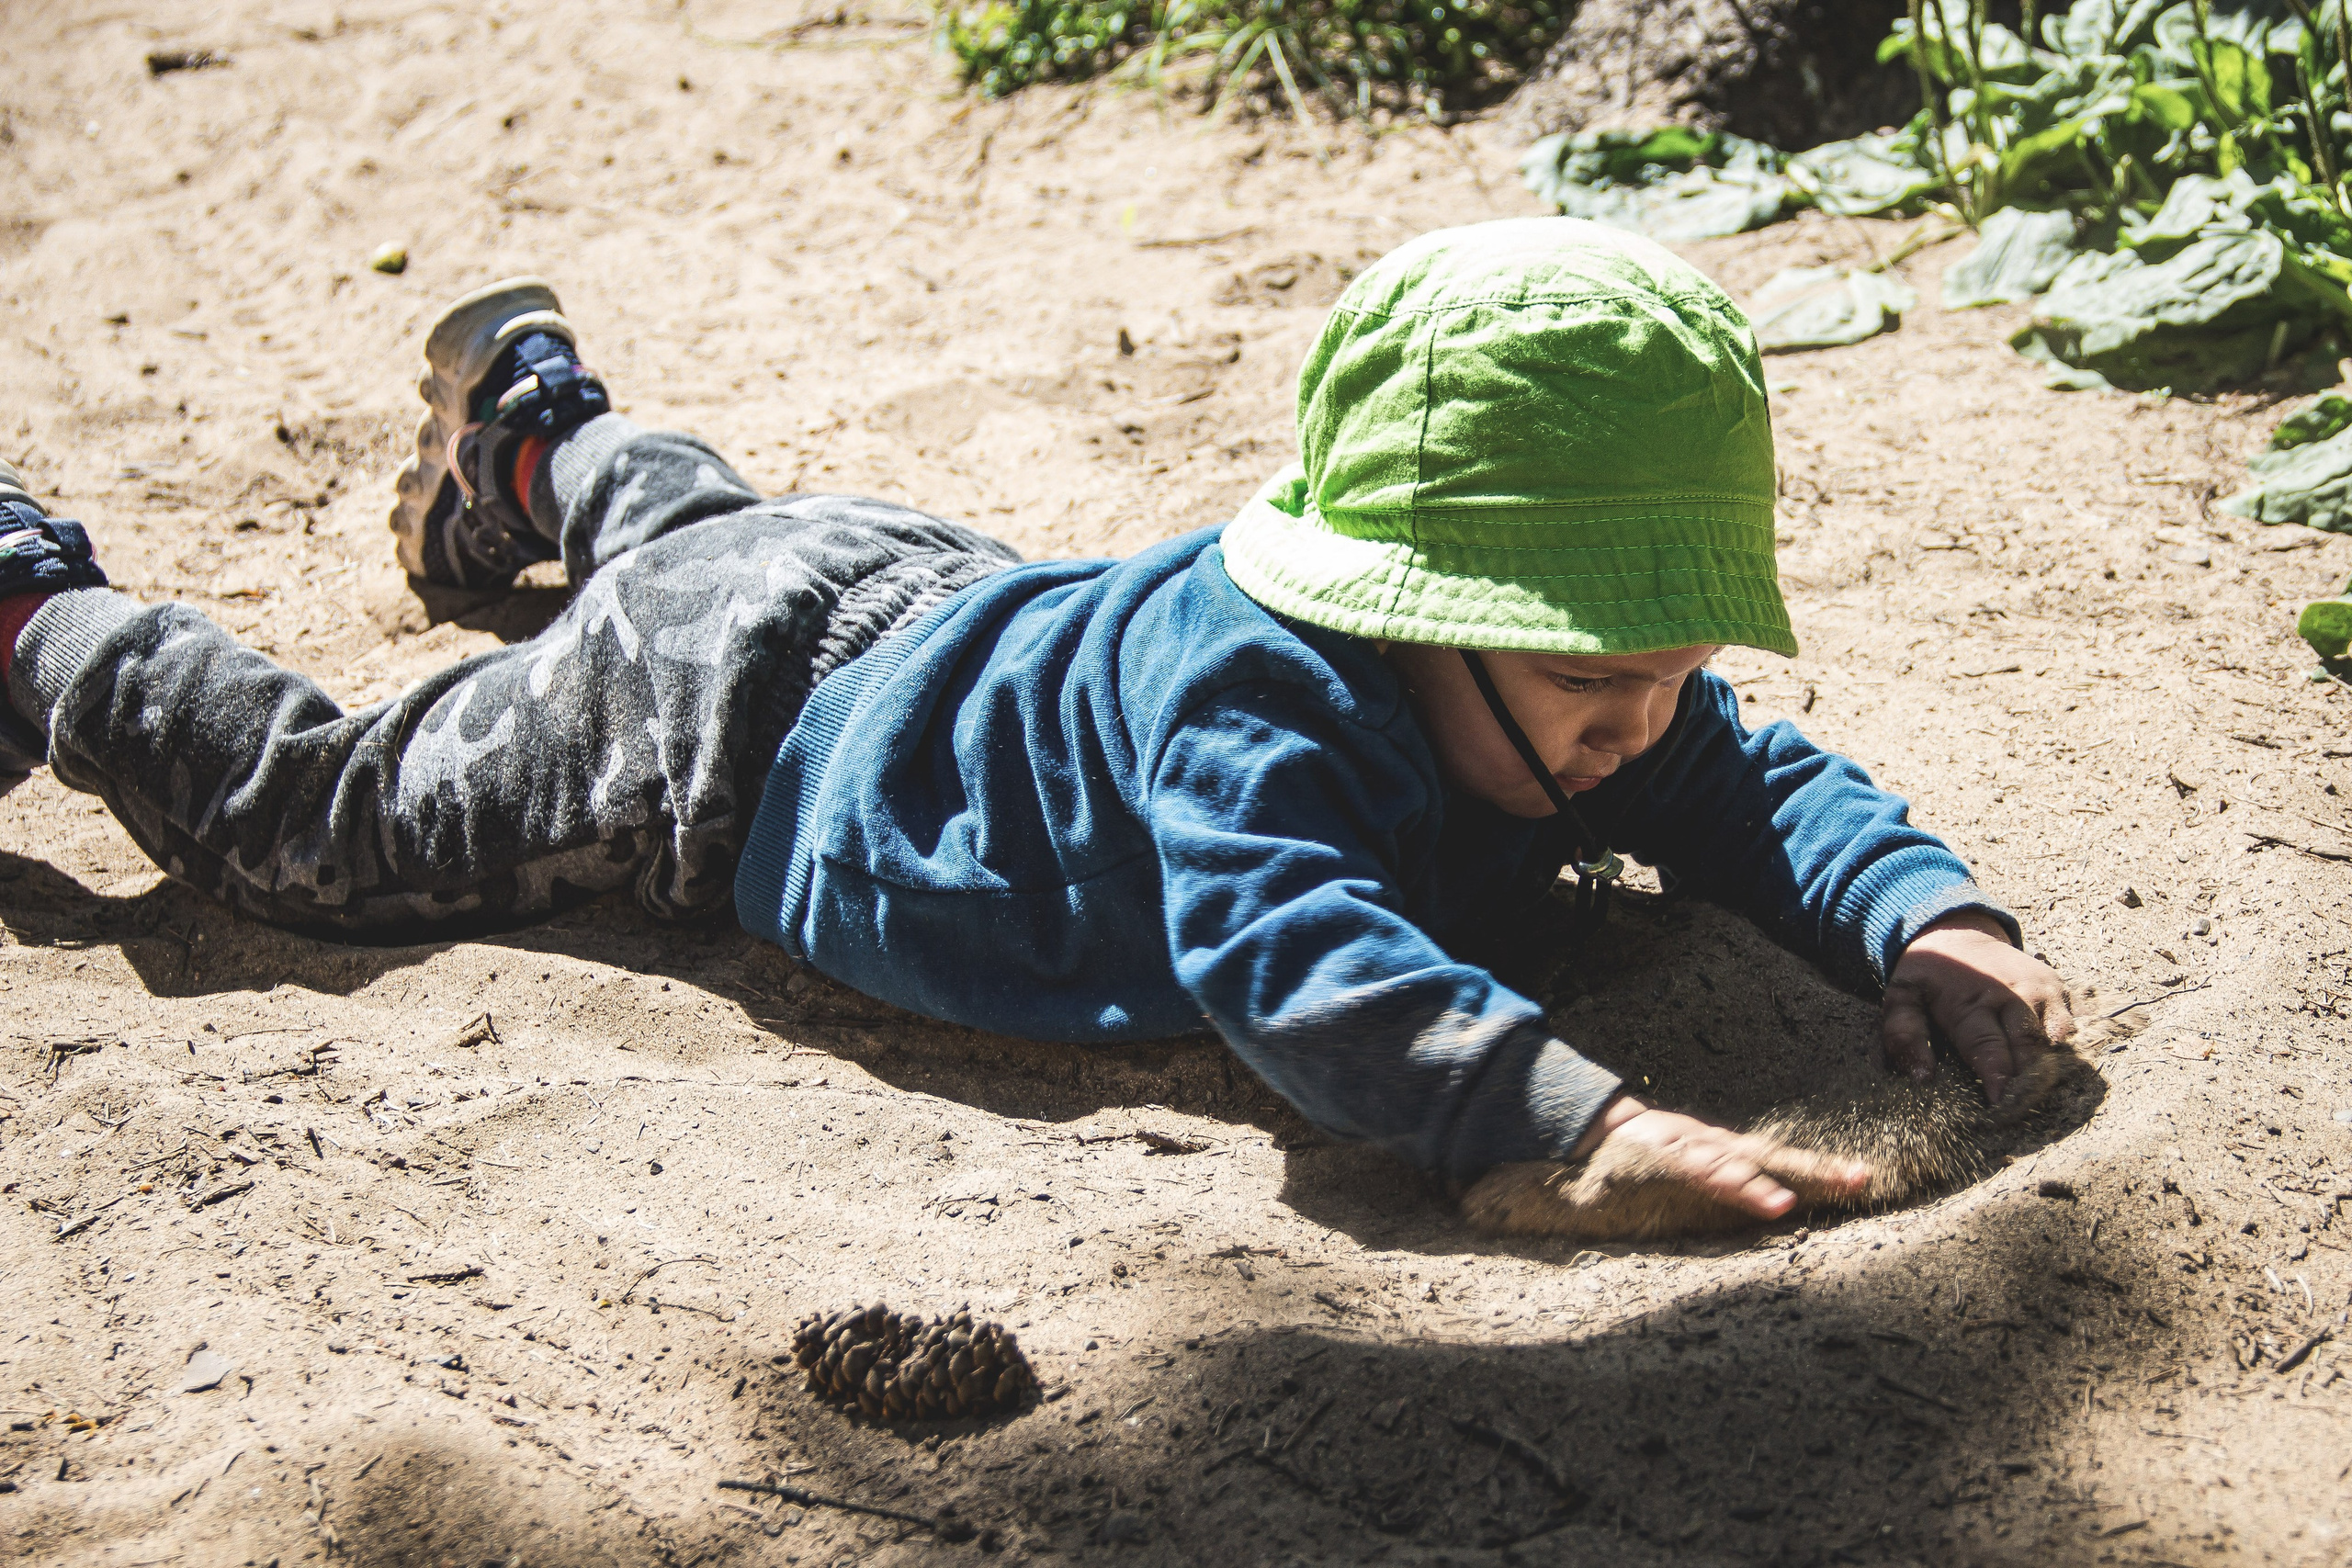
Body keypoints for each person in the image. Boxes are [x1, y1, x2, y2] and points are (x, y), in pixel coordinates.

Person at [0, 219, 2074, 1235]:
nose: (1645, 717)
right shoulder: (1256, 708)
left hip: (909, 586)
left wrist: (1915, 910)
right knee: (320, 821)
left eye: (1670, 661)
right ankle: (40, 604)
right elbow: (1296, 951)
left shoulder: (1583, 694)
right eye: (1585, 671)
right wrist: (1565, 1125)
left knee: (720, 529)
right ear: (1403, 617)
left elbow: (1758, 784)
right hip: (719, 727)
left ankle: (544, 439)